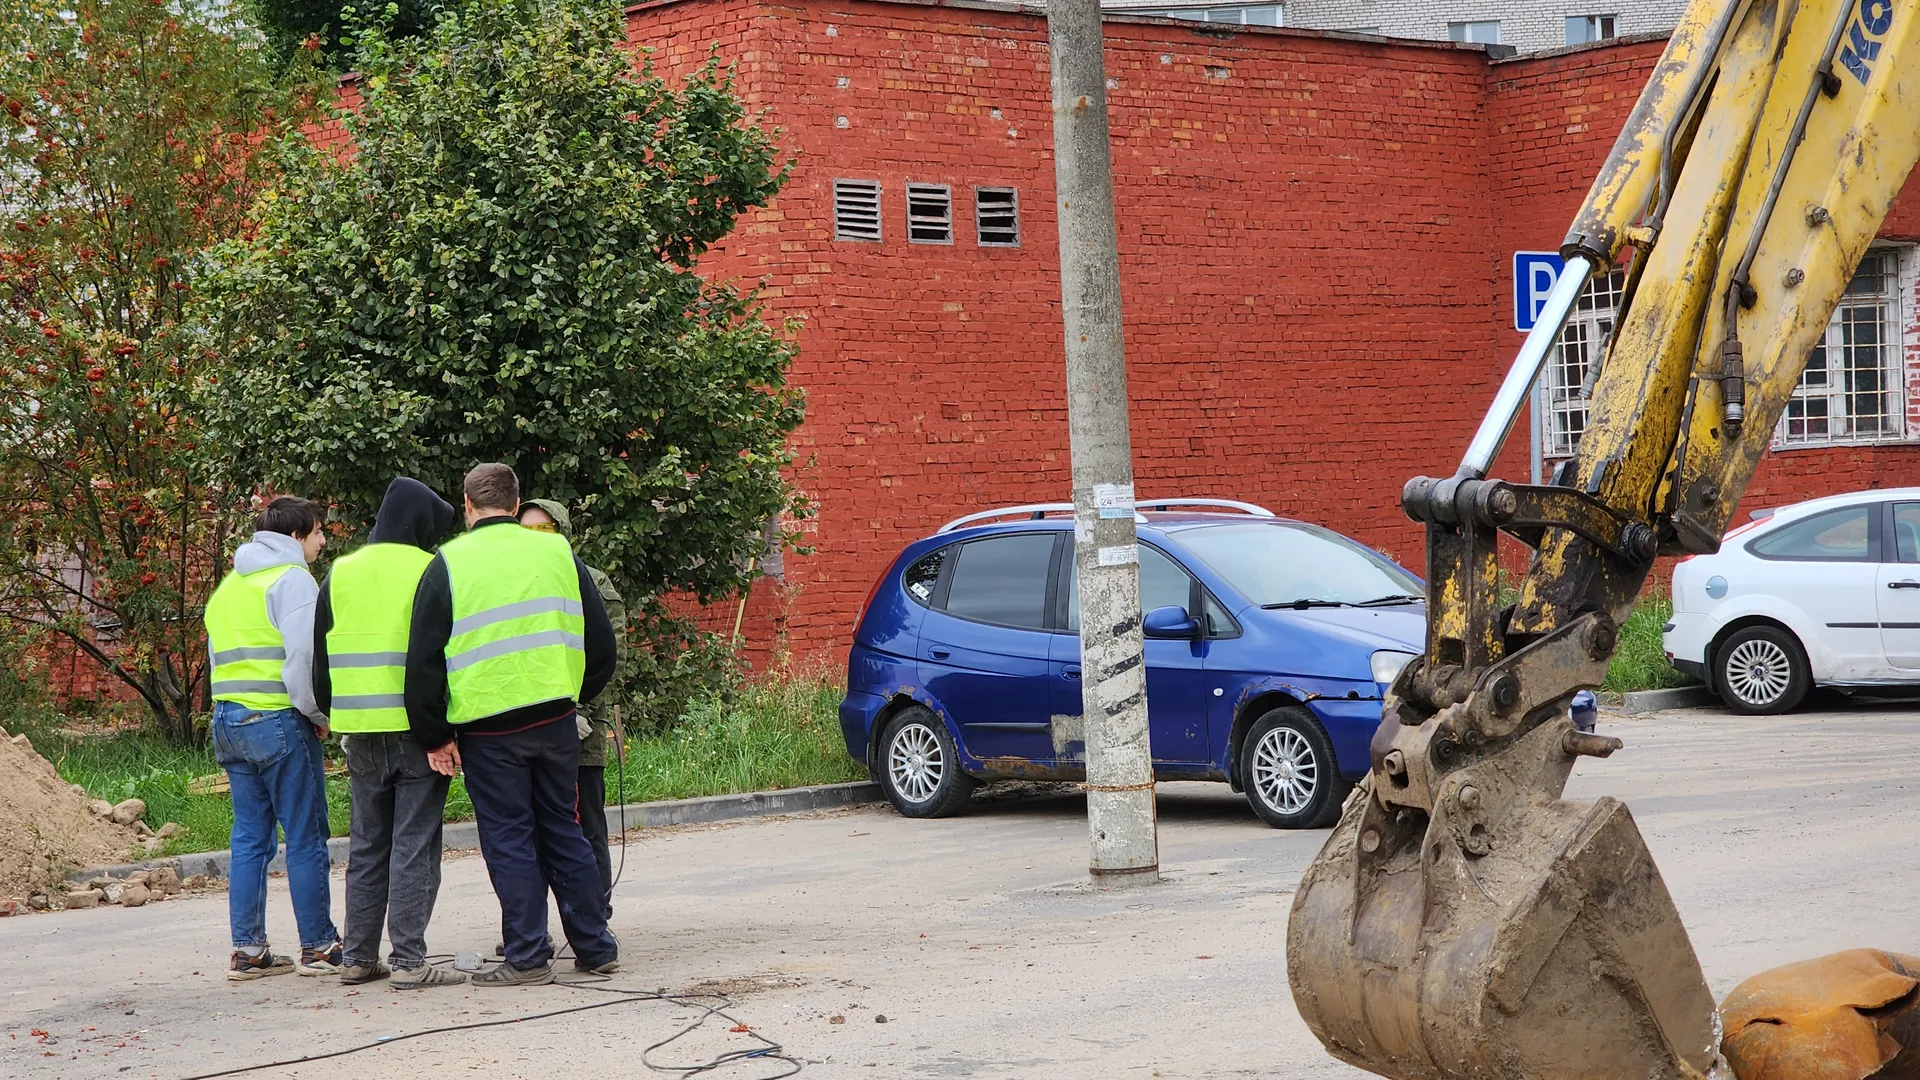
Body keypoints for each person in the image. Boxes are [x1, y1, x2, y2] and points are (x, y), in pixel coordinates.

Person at [405, 463, 620, 985]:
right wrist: (573, 694)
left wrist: (434, 734)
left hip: (489, 728)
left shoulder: (448, 562)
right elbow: (602, 646)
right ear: (517, 500)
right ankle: (595, 946)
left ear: (468, 504)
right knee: (563, 828)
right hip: (555, 717)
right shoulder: (557, 553)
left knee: (509, 838)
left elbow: (423, 661)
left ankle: (526, 955)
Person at [313, 477, 463, 989]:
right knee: (414, 844)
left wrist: (338, 716)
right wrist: (443, 729)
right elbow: (442, 653)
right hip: (417, 732)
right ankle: (409, 962)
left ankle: (356, 957)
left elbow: (321, 659)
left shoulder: (340, 571)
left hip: (358, 731)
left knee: (367, 845)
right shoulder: (431, 568)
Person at [204, 496, 341, 981]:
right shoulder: (293, 581)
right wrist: (318, 714)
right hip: (279, 721)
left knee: (249, 838)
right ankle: (320, 948)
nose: (323, 541)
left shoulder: (230, 586)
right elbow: (301, 659)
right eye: (319, 532)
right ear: (297, 535)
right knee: (305, 835)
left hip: (228, 720)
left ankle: (249, 950)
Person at [516, 498, 627, 908]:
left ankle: (593, 914)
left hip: (580, 731)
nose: (534, 540)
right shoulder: (510, 583)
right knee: (528, 833)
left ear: (562, 534)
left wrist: (581, 710)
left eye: (544, 530)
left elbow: (610, 657)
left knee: (585, 827)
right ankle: (532, 927)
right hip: (526, 730)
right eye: (525, 530)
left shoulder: (591, 582)